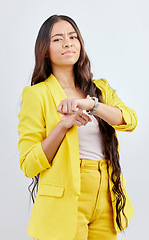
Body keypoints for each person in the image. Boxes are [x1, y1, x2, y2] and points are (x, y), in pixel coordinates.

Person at [18, 15, 137, 240]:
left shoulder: (100, 89)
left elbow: (129, 120)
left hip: (107, 195)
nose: (68, 43)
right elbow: (28, 164)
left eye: (73, 37)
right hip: (64, 201)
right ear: (45, 50)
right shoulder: (37, 94)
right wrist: (63, 126)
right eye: (58, 39)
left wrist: (93, 105)